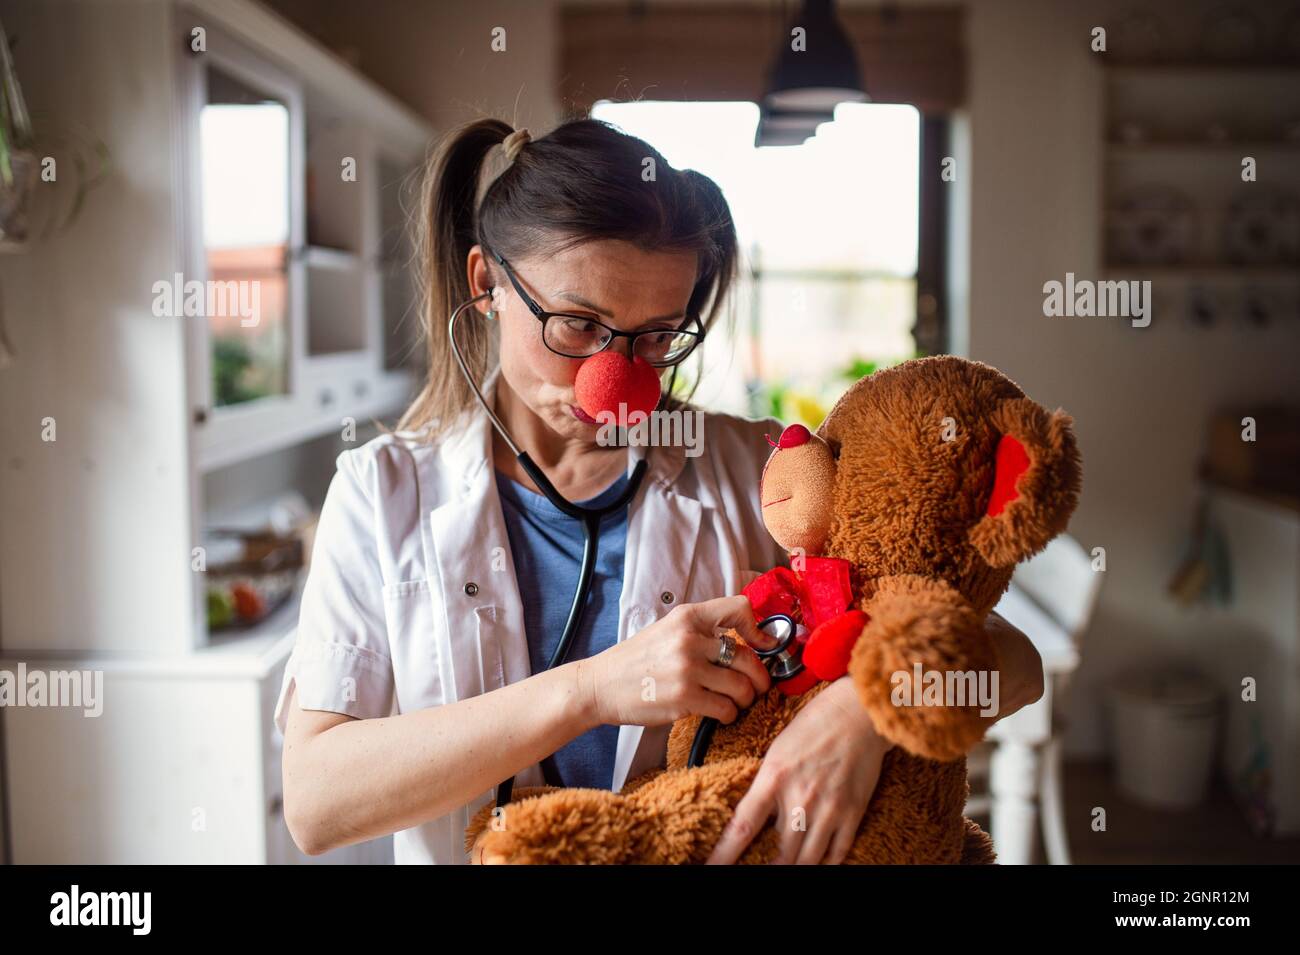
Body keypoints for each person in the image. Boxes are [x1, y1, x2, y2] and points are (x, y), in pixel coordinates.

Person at [276, 118, 1044, 865]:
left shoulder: (762, 472)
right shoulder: (382, 493)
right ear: (487, 285)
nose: (618, 381)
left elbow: (1012, 661)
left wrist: (866, 711)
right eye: (577, 325)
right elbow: (316, 801)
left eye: (655, 338)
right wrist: (595, 689)